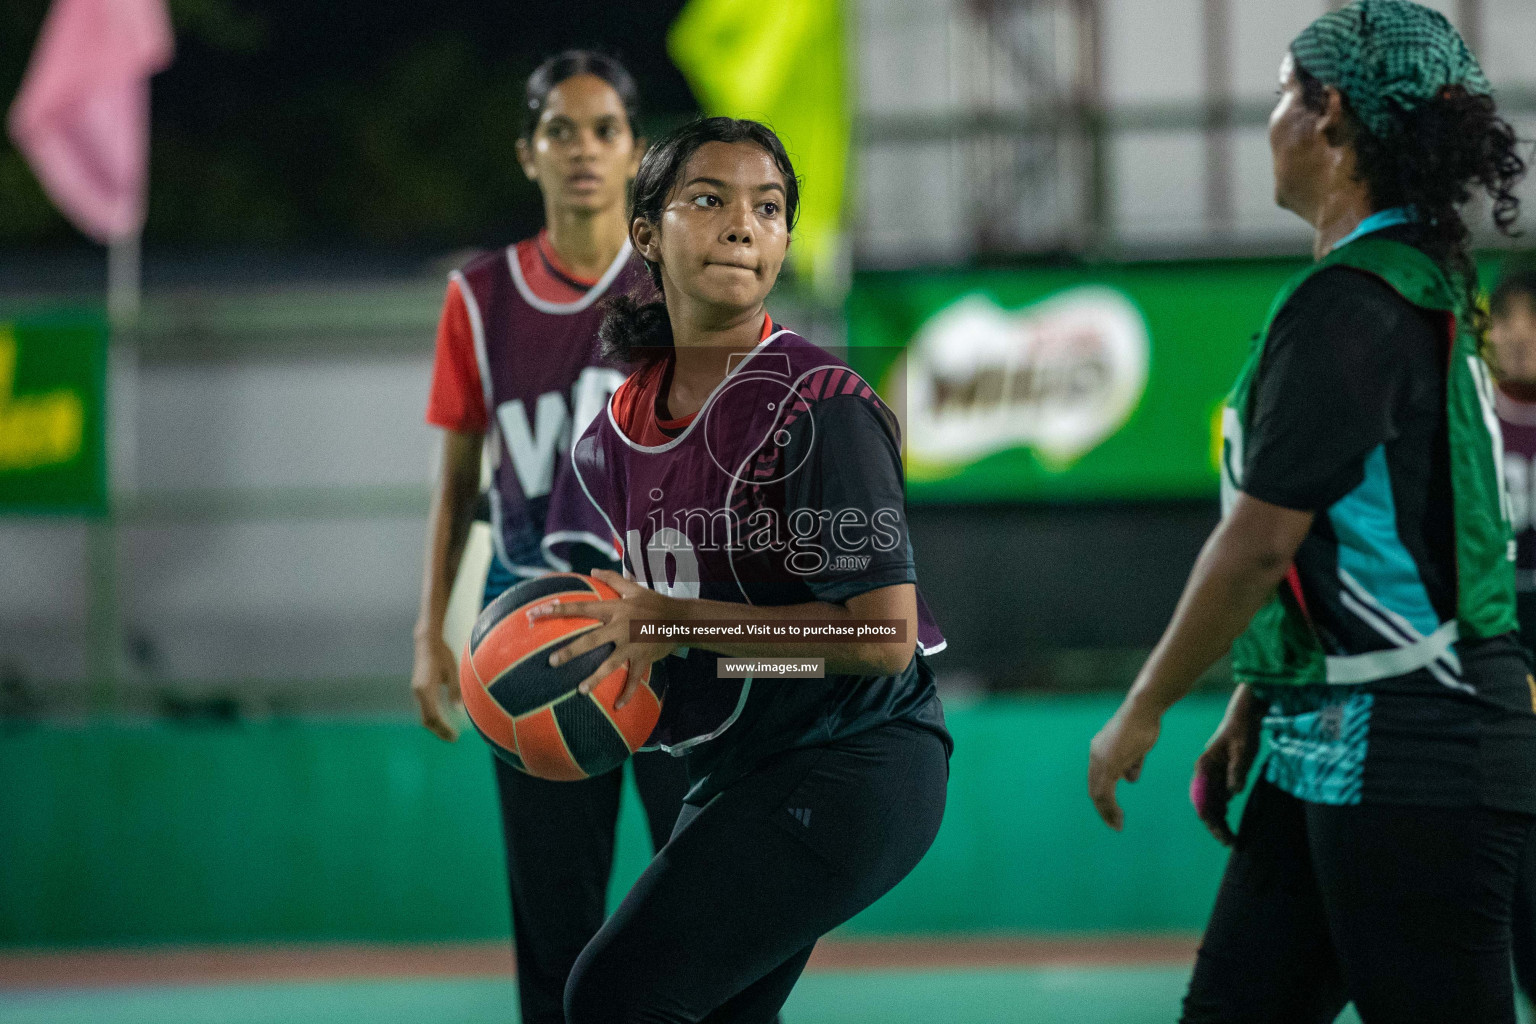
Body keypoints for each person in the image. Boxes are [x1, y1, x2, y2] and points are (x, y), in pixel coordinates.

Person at [1085, 2, 1535, 1022]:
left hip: (1418, 740)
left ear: (1330, 117)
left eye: (1286, 93)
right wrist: (1264, 689)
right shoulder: (1398, 289)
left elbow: (1258, 545)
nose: (1273, 118)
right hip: (1339, 727)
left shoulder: (1353, 307)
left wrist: (1145, 705)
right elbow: (1382, 539)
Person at [531, 117, 951, 1024]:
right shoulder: (613, 436)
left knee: (615, 996)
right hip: (741, 767)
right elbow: (684, 628)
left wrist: (681, 623)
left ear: (786, 240)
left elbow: (880, 639)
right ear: (646, 233)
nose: (742, 225)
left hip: (854, 758)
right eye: (709, 199)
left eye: (768, 207)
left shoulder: (821, 405)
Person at [409, 50, 689, 1024]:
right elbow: (459, 482)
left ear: (636, 151)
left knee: (704, 911)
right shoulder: (479, 299)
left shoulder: (680, 288)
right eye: (560, 131)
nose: (582, 149)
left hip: (672, 638)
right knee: (554, 937)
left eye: (604, 129)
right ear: (528, 154)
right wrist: (429, 636)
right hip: (536, 641)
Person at [1484, 266, 1536, 1011]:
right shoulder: (1465, 419)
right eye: (1508, 318)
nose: (1522, 333)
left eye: (1535, 318)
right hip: (1494, 673)